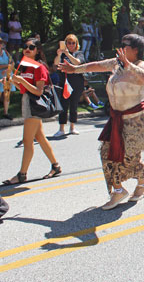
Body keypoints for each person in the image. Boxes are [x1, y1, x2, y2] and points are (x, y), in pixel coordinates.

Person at [58, 34, 144, 210]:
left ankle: (136, 187)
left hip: (136, 121)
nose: (120, 47)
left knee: (129, 156)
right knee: (107, 152)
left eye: (125, 45)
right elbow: (95, 65)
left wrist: (130, 66)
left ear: (135, 50)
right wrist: (74, 69)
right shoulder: (116, 63)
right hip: (117, 118)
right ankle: (123, 189)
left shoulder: (140, 66)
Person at [2, 38, 62, 185]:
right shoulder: (25, 66)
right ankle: (56, 166)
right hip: (27, 102)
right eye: (25, 46)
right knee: (40, 137)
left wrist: (21, 81)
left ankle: (22, 175)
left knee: (28, 141)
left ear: (37, 50)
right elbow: (24, 87)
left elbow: (38, 91)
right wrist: (11, 81)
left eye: (31, 47)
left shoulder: (39, 67)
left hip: (35, 104)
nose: (27, 49)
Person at [53, 34, 85, 137]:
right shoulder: (62, 54)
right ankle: (61, 128)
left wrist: (68, 54)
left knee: (74, 105)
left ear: (76, 44)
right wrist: (59, 54)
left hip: (76, 82)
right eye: (69, 43)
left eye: (73, 43)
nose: (71, 45)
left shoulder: (79, 53)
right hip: (64, 82)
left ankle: (72, 127)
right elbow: (56, 64)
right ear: (65, 44)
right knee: (63, 105)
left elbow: (78, 63)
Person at [0, 37, 15, 119]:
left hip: (7, 75)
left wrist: (7, 68)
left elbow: (12, 62)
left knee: (7, 94)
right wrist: (7, 66)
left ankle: (6, 112)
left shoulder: (6, 52)